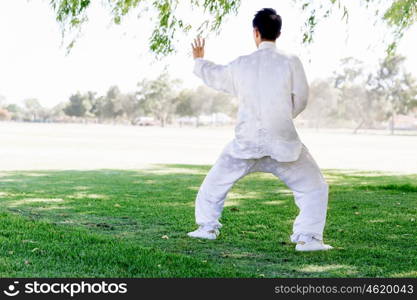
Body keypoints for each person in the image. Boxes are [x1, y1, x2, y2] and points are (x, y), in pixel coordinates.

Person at [188, 8, 332, 251]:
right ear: (279, 33)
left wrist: (199, 60)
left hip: (246, 142)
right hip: (283, 141)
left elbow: (215, 76)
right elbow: (302, 98)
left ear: (256, 32)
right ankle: (308, 239)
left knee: (214, 183)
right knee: (314, 187)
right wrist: (284, 117)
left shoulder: (242, 64)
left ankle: (206, 228)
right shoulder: (291, 61)